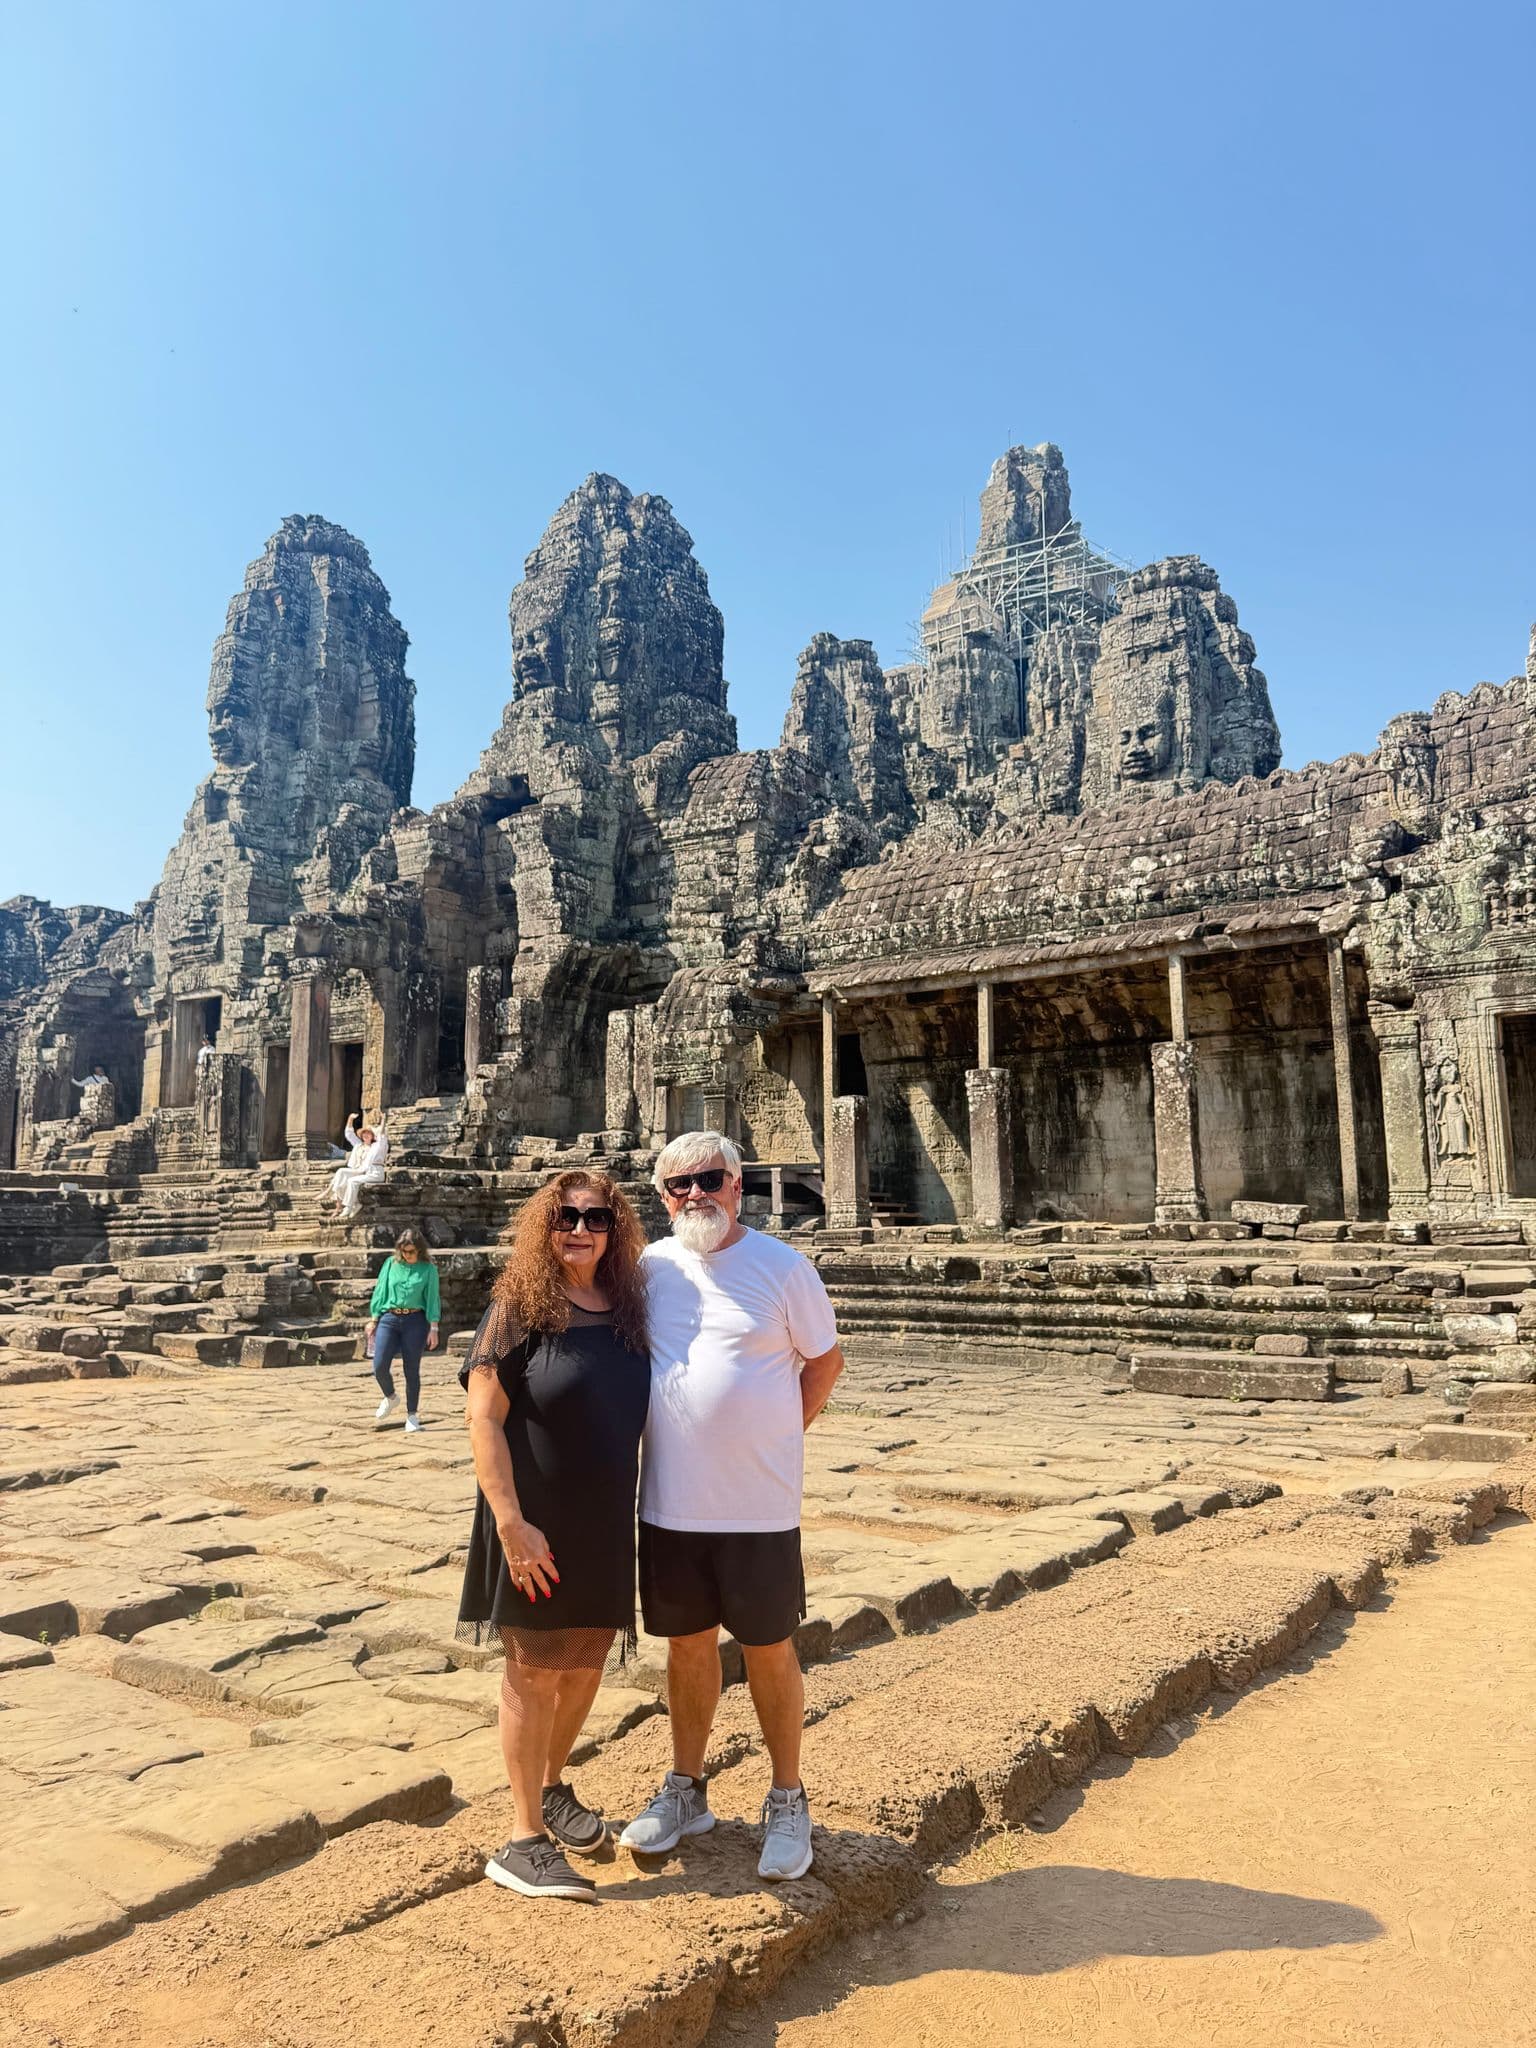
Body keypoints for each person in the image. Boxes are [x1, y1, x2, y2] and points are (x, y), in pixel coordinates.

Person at [618, 1130, 844, 1884]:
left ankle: (787, 1796)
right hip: (671, 1505)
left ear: (737, 1184)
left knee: (769, 1648)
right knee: (685, 1647)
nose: (695, 1196)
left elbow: (825, 1361)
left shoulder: (783, 1267)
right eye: (677, 1186)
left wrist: (778, 1433)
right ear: (661, 1199)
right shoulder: (649, 1268)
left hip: (758, 1506)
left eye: (708, 1180)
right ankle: (686, 1789)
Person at [458, 1169, 651, 1904]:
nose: (579, 1229)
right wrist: (510, 1522)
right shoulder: (518, 1309)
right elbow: (483, 1419)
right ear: (544, 1226)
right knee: (535, 1670)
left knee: (584, 1665)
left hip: (603, 1520)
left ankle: (551, 1788)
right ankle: (523, 1839)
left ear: (616, 1227)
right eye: (565, 1216)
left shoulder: (629, 1308)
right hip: (533, 1520)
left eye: (595, 1217)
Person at [365, 1226, 441, 1433]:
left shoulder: (428, 1269)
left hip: (415, 1320)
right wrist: (373, 1319)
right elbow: (381, 1290)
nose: (407, 1255)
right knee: (379, 1365)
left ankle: (412, 1416)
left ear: (419, 1250)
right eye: (404, 1251)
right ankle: (390, 1396)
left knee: (411, 1369)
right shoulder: (391, 1264)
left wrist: (433, 1327)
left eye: (411, 1251)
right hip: (390, 1317)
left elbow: (432, 1298)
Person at [322, 1111, 389, 1219]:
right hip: (363, 1171)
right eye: (364, 1134)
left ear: (372, 1136)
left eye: (368, 1134)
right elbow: (349, 1134)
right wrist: (350, 1119)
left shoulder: (378, 1146)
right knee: (341, 1176)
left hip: (375, 1172)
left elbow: (381, 1134)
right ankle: (351, 1203)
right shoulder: (359, 1145)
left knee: (352, 1181)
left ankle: (348, 1206)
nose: (366, 1136)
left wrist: (383, 1121)